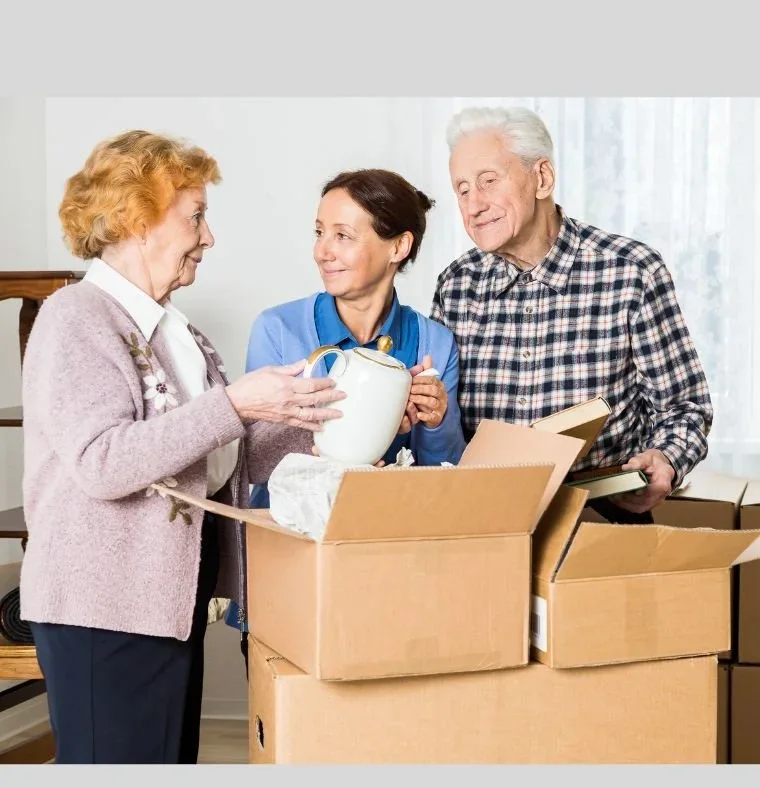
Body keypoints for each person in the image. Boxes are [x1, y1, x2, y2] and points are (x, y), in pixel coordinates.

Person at [18, 130, 346, 764]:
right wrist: (234, 404)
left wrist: (334, 405)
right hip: (102, 607)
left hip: (166, 602)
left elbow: (226, 453)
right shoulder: (75, 316)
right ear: (139, 220)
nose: (209, 236)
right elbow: (104, 461)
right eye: (196, 216)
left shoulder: (178, 331)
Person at [224, 167, 466, 668]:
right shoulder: (278, 329)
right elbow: (252, 459)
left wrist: (437, 420)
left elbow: (444, 474)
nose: (322, 250)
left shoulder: (434, 342)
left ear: (398, 247)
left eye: (342, 236)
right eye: (319, 233)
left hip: (391, 568)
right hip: (289, 561)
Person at [430, 106, 714, 524]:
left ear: (542, 178)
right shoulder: (455, 286)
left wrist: (666, 460)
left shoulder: (630, 271)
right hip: (484, 522)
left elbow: (684, 406)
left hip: (601, 518)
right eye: (463, 189)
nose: (474, 204)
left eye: (489, 181)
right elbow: (440, 421)